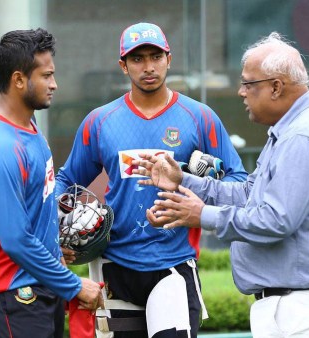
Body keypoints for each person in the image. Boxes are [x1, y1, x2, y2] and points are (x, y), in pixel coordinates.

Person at [133, 32, 309, 338]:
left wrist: (202, 215)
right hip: (289, 304)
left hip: (302, 307)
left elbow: (275, 220)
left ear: (276, 87)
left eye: (248, 84)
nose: (240, 92)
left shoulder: (304, 136)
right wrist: (184, 180)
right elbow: (250, 194)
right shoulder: (289, 130)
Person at [55, 22, 247, 338]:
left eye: (155, 56)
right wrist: (56, 229)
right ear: (123, 66)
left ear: (168, 59)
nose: (148, 67)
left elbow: (239, 182)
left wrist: (186, 182)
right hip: (115, 267)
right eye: (138, 58)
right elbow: (66, 180)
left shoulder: (199, 117)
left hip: (173, 264)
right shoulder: (100, 121)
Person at [0, 28, 103, 338]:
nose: (54, 84)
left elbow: (33, 208)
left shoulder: (29, 124)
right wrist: (74, 285)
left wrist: (55, 247)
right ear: (18, 80)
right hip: (10, 295)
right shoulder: (2, 149)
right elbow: (15, 239)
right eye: (47, 75)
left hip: (39, 284)